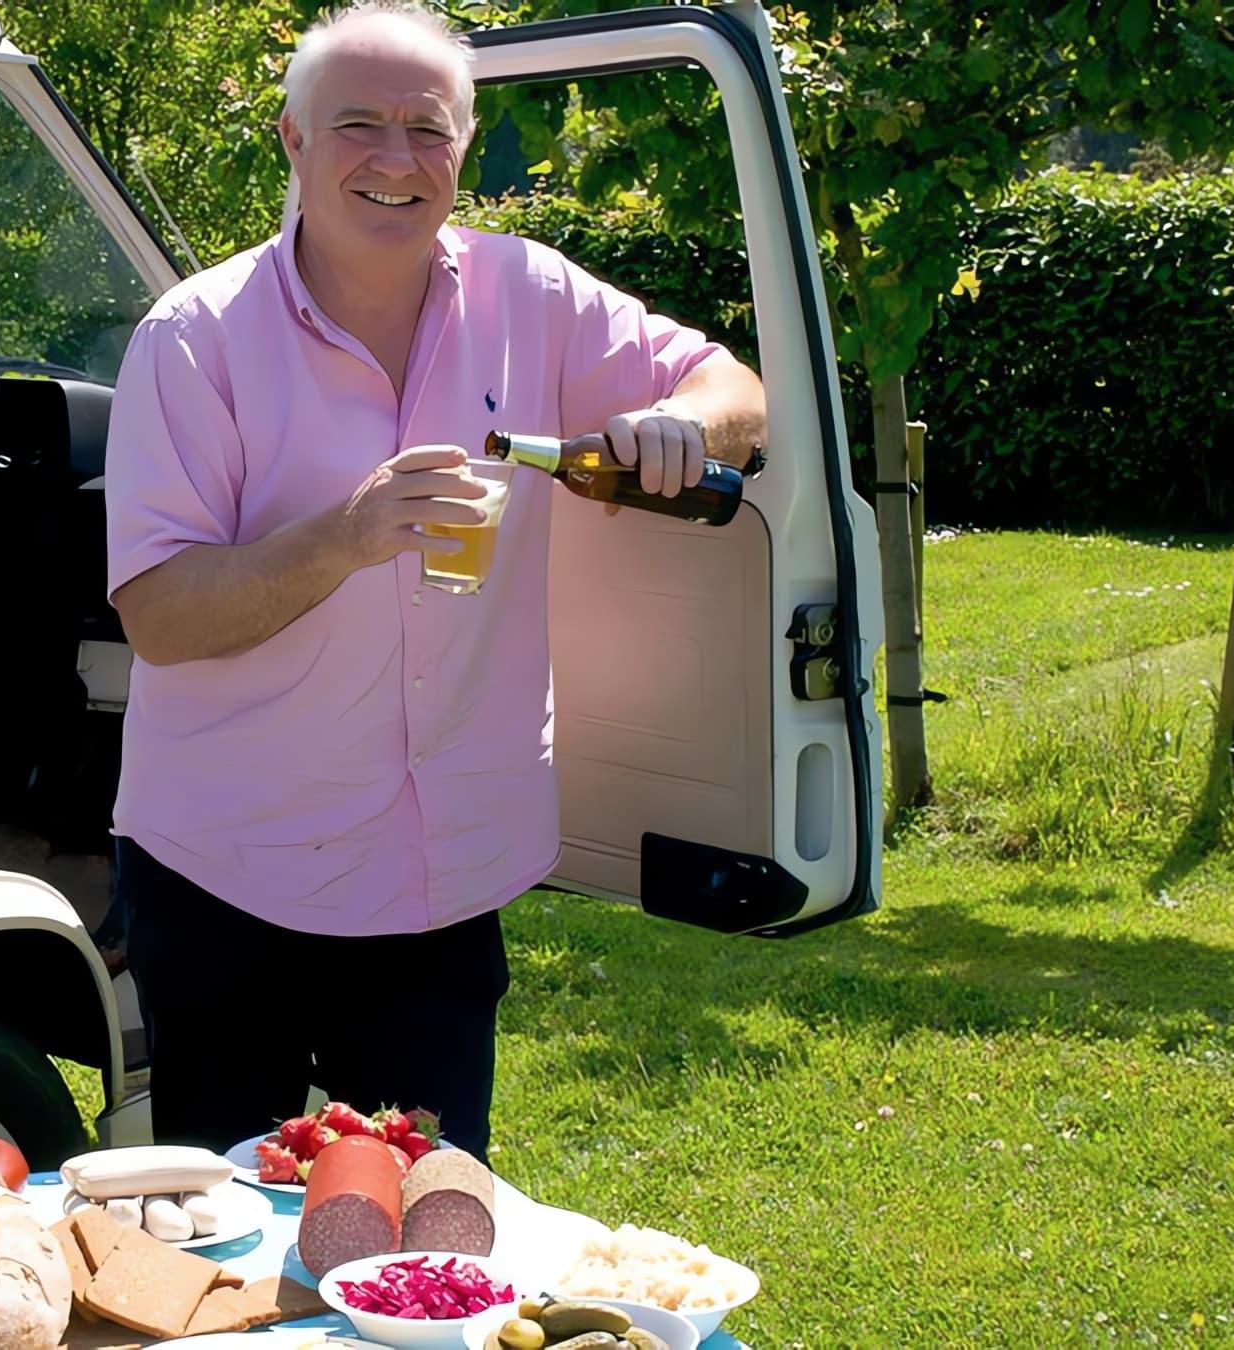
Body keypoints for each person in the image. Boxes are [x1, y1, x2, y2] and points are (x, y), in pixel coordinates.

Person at [102, 0, 767, 1164]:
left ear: (464, 145)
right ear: (292, 142)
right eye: (359, 124)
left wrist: (679, 419)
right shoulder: (194, 338)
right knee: (224, 1241)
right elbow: (159, 616)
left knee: (431, 1235)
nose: (398, 160)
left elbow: (736, 390)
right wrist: (344, 536)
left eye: (430, 128)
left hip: (439, 879)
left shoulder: (533, 297)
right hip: (229, 876)